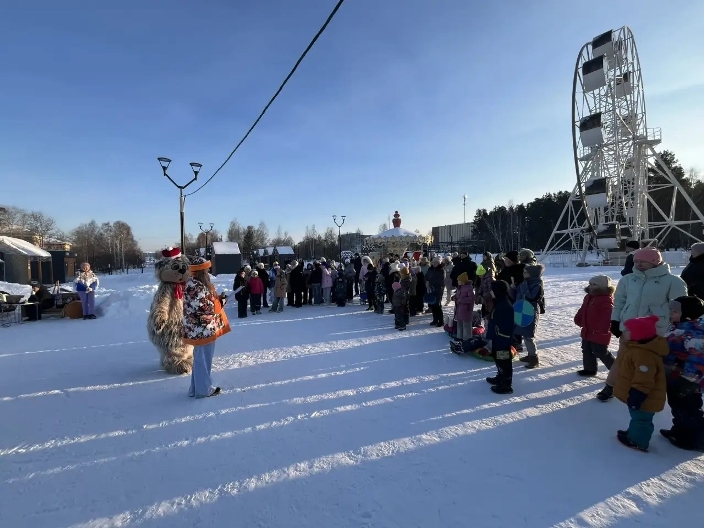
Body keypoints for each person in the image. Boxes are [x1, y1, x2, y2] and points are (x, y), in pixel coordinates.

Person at [598, 247, 688, 401]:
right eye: (636, 261)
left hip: (657, 331)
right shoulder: (628, 279)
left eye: (643, 262)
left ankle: (653, 391)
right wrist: (615, 321)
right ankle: (611, 386)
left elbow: (678, 307)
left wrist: (676, 327)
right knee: (623, 359)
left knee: (654, 362)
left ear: (655, 261)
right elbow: (619, 303)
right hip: (629, 329)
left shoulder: (673, 281)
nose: (638, 264)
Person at [613, 315, 668, 452]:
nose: (624, 332)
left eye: (627, 330)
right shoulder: (635, 348)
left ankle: (638, 441)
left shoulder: (643, 354)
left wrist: (637, 395)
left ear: (638, 334)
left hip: (644, 397)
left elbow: (644, 379)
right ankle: (633, 433)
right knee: (637, 417)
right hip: (639, 394)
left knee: (642, 419)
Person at [182, 256, 230, 398]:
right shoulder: (196, 286)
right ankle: (204, 390)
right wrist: (220, 303)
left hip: (200, 328)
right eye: (206, 270)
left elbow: (205, 302)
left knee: (200, 359)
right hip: (202, 329)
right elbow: (206, 308)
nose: (208, 272)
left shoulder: (195, 283)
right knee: (203, 360)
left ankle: (195, 388)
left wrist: (217, 299)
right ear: (200, 271)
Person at [663, 296, 704, 451]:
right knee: (677, 406)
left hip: (688, 381)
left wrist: (689, 381)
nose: (670, 313)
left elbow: (698, 359)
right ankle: (679, 431)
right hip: (674, 376)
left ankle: (697, 440)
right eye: (671, 310)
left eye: (674, 311)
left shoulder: (695, 332)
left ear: (687, 314)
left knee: (690, 410)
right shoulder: (676, 326)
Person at [573, 275, 616, 376]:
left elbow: (607, 316)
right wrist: (578, 318)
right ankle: (589, 369)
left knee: (600, 351)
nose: (591, 286)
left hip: (599, 332)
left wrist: (604, 329)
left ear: (603, 287)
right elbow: (583, 309)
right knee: (586, 350)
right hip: (587, 329)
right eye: (590, 284)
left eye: (595, 284)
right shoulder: (588, 296)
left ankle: (616, 371)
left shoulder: (605, 299)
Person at [486, 280, 515, 395]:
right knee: (498, 358)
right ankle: (500, 377)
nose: (491, 292)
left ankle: (506, 385)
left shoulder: (505, 305)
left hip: (502, 339)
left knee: (504, 361)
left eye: (492, 290)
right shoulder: (499, 302)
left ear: (498, 291)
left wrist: (499, 335)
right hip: (497, 338)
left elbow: (506, 325)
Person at [515, 264, 545, 369]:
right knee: (525, 334)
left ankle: (534, 358)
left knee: (529, 335)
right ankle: (530, 354)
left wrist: (524, 287)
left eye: (526, 272)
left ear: (531, 274)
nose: (523, 274)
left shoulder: (537, 285)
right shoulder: (525, 282)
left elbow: (531, 297)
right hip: (522, 309)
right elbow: (517, 295)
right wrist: (513, 289)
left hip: (530, 311)